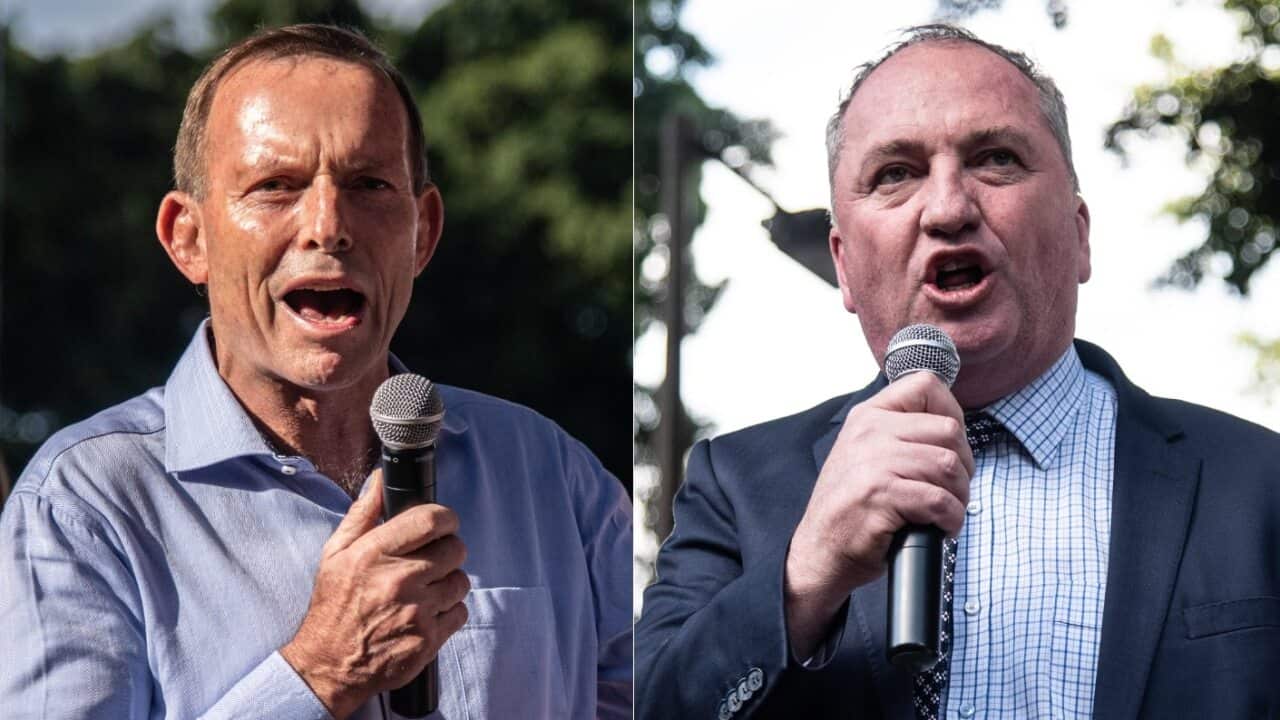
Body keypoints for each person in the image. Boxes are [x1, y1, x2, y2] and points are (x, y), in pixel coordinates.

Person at [635, 24, 1280, 720]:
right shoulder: (735, 485)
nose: (947, 209)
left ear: (1079, 234)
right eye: (895, 174)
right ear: (844, 265)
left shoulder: (1258, 482)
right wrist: (804, 577)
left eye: (996, 159)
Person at [0, 24, 631, 720]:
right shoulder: (83, 508)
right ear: (189, 237)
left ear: (423, 232)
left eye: (369, 184)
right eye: (275, 186)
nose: (328, 226)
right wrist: (320, 673)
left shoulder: (553, 477)